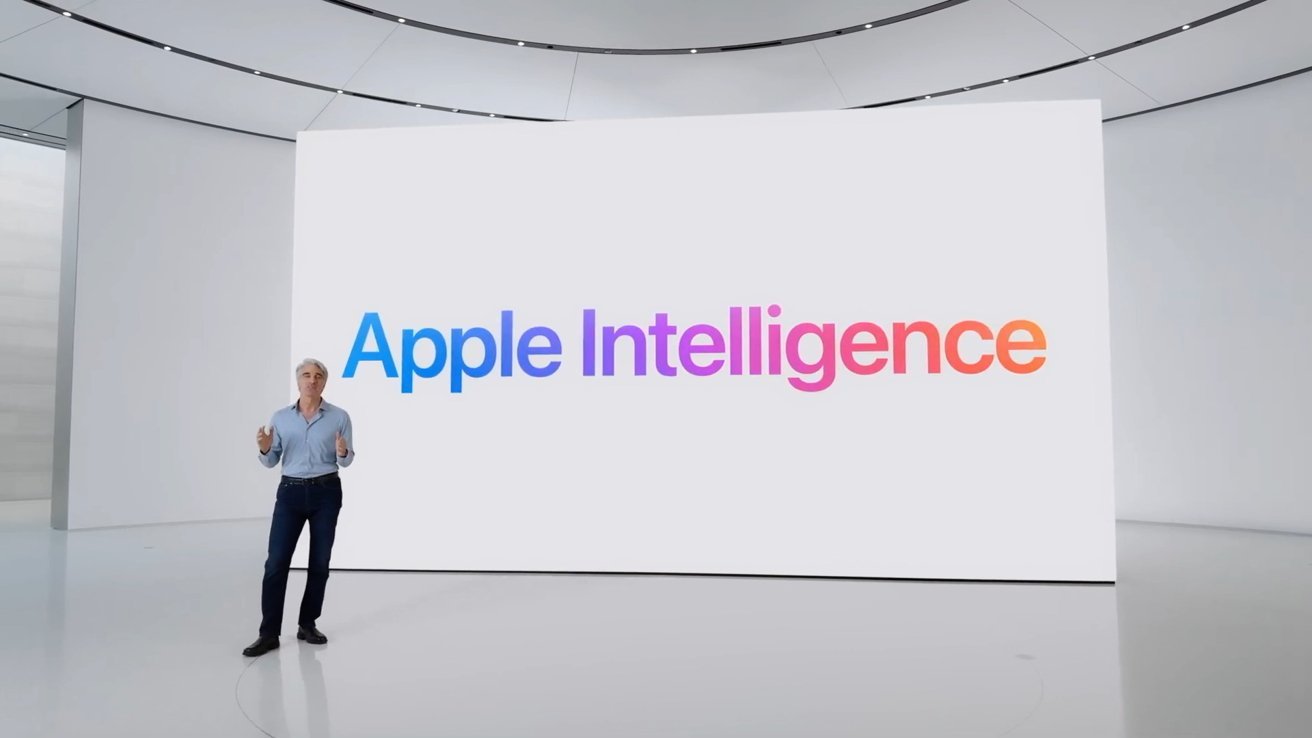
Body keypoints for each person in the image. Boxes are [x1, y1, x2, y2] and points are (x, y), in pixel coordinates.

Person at [242, 358, 354, 657]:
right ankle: (268, 633)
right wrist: (265, 447)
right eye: (306, 375)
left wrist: (343, 452)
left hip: (326, 491)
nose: (312, 380)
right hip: (290, 491)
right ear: (298, 381)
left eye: (318, 376)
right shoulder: (280, 418)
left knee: (319, 563)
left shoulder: (339, 417)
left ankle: (307, 624)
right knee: (276, 562)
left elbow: (346, 459)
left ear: (324, 383)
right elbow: (270, 461)